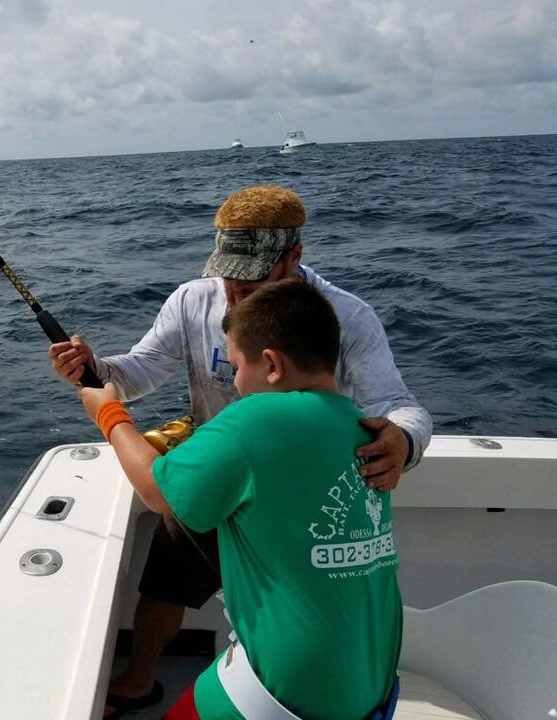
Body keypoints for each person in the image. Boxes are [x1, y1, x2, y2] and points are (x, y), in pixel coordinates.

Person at [48, 185, 430, 718]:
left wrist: (403, 439)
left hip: (295, 494)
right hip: (215, 466)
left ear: (294, 256)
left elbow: (399, 405)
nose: (234, 291)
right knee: (166, 578)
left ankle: (263, 677)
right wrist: (96, 371)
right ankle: (140, 680)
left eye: (250, 278)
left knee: (296, 602)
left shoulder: (348, 316)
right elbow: (137, 372)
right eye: (228, 274)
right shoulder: (191, 299)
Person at [78, 278, 402, 720]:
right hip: (372, 685)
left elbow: (157, 491)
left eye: (235, 366)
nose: (235, 381)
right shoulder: (363, 426)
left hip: (289, 691)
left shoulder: (255, 416)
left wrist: (109, 414)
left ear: (271, 364)